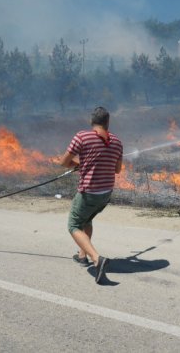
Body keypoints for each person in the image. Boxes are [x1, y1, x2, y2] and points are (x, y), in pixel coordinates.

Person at [59, 106, 123, 284]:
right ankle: (82, 255)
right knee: (87, 220)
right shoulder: (117, 141)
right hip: (106, 194)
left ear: (91, 121)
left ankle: (96, 258)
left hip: (89, 192)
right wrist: (87, 162)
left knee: (73, 225)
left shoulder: (82, 136)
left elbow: (63, 162)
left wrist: (78, 162)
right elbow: (117, 170)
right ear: (108, 122)